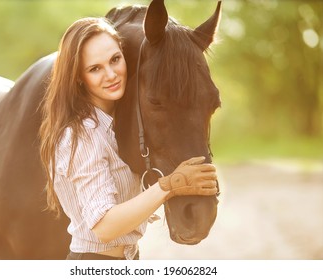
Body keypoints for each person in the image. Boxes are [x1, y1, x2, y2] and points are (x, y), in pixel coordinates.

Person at [39, 17, 218, 260]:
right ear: (79, 77)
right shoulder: (82, 135)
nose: (111, 74)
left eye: (115, 59)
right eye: (95, 68)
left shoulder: (117, 126)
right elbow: (104, 227)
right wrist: (171, 185)